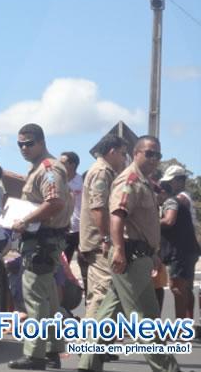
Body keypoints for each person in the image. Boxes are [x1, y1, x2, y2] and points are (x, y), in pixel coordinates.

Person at [78, 136, 180, 372]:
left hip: (140, 257)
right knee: (143, 322)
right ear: (136, 153)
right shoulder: (130, 179)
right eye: (149, 153)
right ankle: (167, 369)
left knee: (112, 314)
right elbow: (117, 216)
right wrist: (119, 251)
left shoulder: (144, 181)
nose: (154, 159)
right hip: (130, 257)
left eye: (158, 155)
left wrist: (152, 253)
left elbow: (143, 224)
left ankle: (87, 364)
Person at [8, 123, 72, 370]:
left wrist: (25, 220)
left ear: (42, 142)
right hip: (43, 240)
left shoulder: (47, 168)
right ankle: (52, 351)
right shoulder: (38, 168)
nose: (24, 148)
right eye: (20, 144)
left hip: (43, 241)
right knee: (48, 299)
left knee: (35, 297)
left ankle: (35, 355)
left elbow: (54, 202)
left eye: (29, 143)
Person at [78, 134, 128, 320]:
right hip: (100, 243)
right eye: (122, 154)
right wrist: (107, 238)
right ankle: (93, 346)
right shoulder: (102, 172)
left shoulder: (103, 171)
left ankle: (97, 345)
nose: (124, 159)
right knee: (103, 293)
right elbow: (98, 207)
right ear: (112, 152)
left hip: (98, 241)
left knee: (101, 293)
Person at [158, 179, 200, 319]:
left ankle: (181, 329)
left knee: (177, 288)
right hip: (189, 250)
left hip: (180, 252)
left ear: (163, 192)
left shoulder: (170, 202)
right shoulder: (180, 203)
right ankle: (187, 324)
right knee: (186, 288)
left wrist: (150, 222)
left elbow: (169, 221)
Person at [59, 152, 83, 263]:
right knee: (63, 262)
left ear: (72, 165)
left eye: (62, 163)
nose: (59, 165)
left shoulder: (82, 181)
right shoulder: (58, 182)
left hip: (81, 228)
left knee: (84, 261)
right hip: (64, 228)